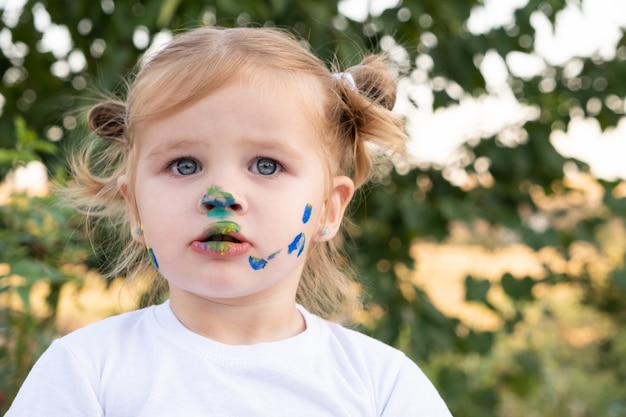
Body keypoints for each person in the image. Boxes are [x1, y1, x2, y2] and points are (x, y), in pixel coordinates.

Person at [6, 26, 453, 416]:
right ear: (136, 208)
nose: (220, 196)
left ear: (329, 209)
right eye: (183, 165)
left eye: (265, 165)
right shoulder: (86, 373)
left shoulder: (382, 387)